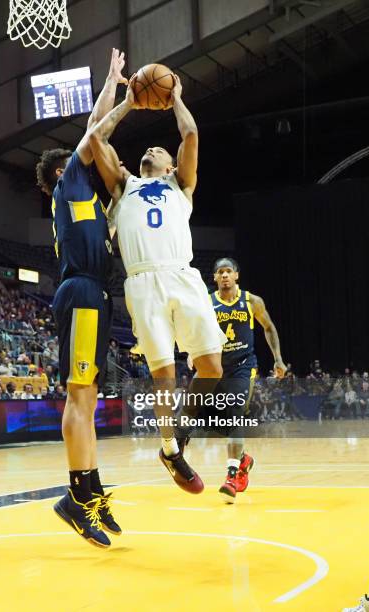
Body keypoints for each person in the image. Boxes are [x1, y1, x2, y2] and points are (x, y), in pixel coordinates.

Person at [89, 74, 226, 493]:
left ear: (170, 165)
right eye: (148, 148)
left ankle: (180, 430)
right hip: (143, 282)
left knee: (211, 368)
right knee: (163, 371)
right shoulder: (122, 186)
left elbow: (190, 133)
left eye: (159, 150)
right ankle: (169, 449)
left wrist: (177, 96)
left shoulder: (181, 185)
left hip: (183, 276)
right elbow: (97, 139)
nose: (151, 148)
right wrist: (129, 102)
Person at [36, 48, 128, 548]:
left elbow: (92, 130)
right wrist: (126, 96)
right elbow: (94, 131)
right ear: (61, 171)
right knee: (80, 396)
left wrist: (112, 79)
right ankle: (75, 496)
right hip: (82, 291)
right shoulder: (69, 181)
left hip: (95, 293)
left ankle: (89, 490)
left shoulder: (88, 197)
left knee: (88, 398)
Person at [209, 257, 286, 502]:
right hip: (217, 370)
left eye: (228, 271)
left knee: (234, 415)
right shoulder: (207, 303)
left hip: (244, 367)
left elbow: (269, 327)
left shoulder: (251, 301)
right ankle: (243, 460)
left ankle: (232, 475)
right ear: (214, 277)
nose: (224, 275)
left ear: (236, 275)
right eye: (219, 272)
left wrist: (278, 359)